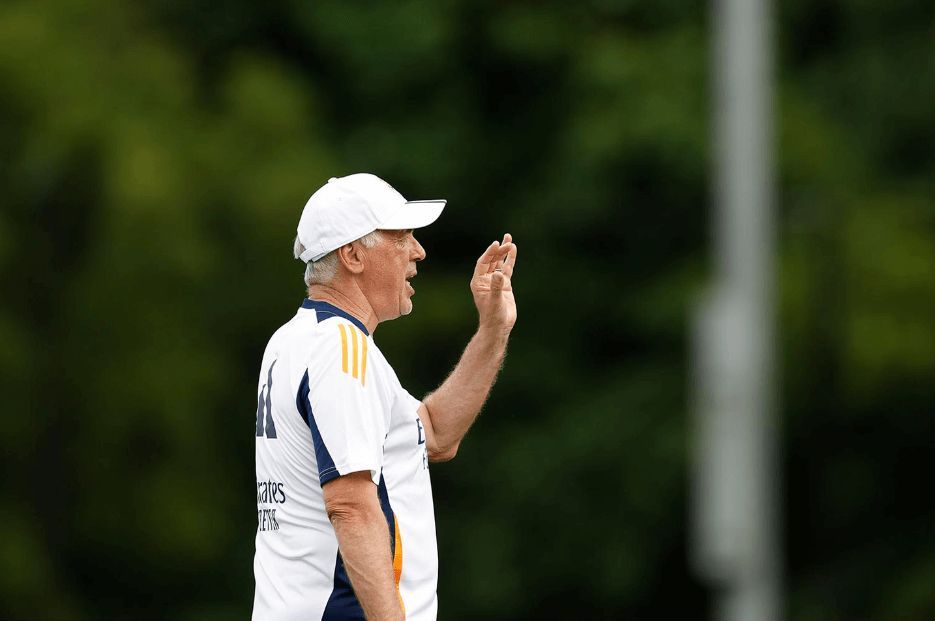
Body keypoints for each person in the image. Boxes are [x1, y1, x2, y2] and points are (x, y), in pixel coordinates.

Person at [252, 173, 517, 621]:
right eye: (401, 236)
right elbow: (351, 506)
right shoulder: (341, 349)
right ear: (353, 255)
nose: (418, 251)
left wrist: (494, 329)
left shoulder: (298, 338)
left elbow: (434, 435)